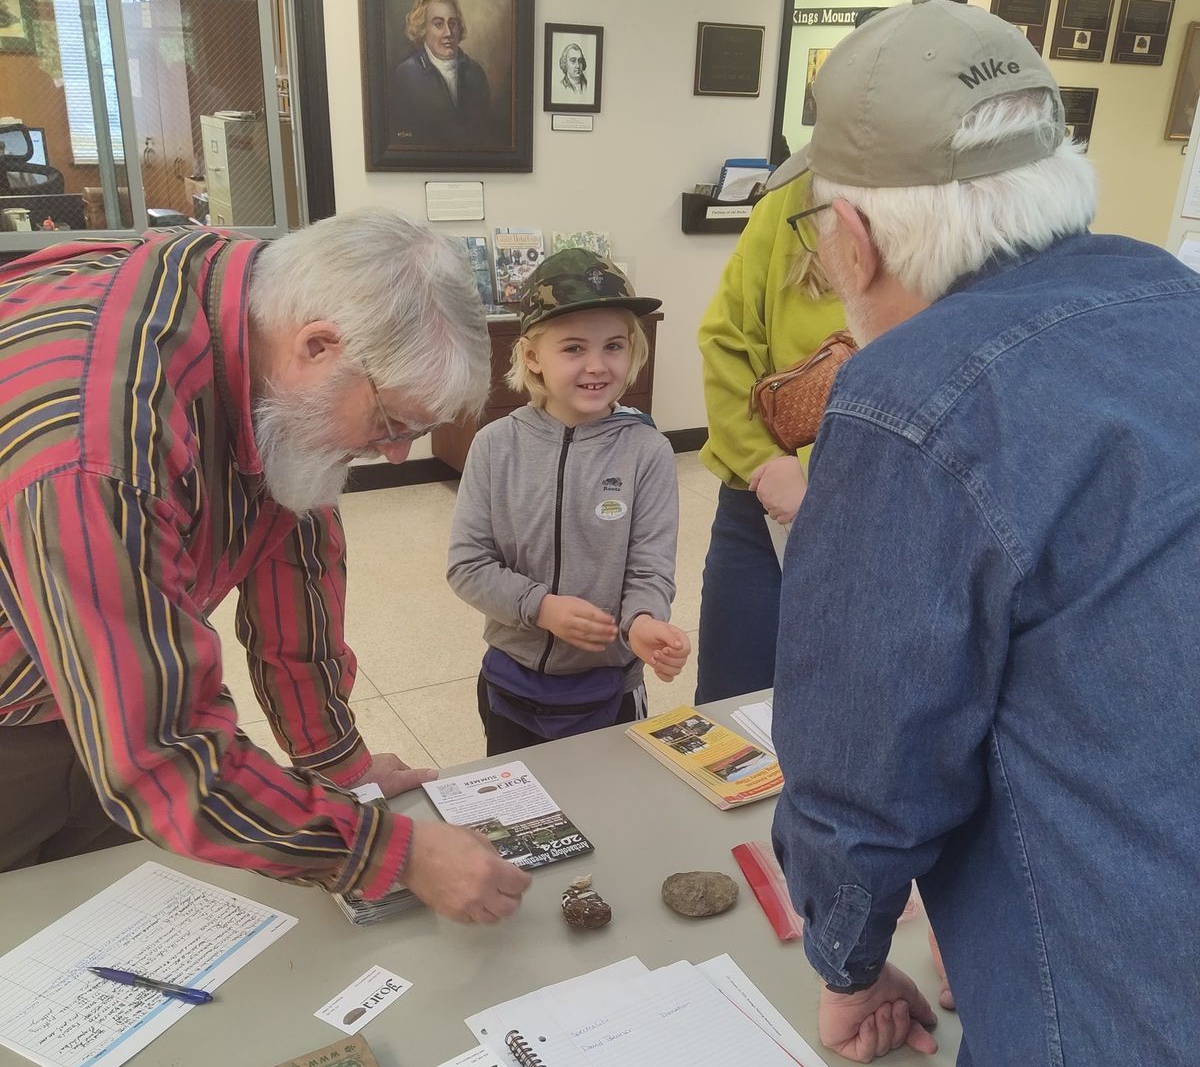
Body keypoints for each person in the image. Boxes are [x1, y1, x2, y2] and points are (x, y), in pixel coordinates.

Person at [767, 0, 1200, 1067]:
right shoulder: (1172, 298)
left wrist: (846, 955)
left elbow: (857, 769)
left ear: (859, 240)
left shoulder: (910, 399)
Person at [0, 209, 529, 927]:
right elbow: (159, 756)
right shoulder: (101, 447)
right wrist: (387, 852)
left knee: (102, 927)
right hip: (19, 723)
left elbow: (293, 590)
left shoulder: (261, 316)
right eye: (391, 425)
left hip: (97, 686)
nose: (398, 454)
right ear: (318, 346)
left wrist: (339, 767)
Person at [448, 249, 689, 754]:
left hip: (609, 688)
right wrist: (541, 608)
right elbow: (468, 566)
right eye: (574, 348)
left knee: (610, 812)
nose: (597, 366)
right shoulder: (494, 445)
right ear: (532, 356)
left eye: (614, 346)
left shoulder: (648, 451)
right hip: (511, 681)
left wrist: (644, 622)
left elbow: (650, 569)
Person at [694, 176, 844, 703]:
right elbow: (725, 343)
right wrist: (766, 462)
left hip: (880, 501)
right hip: (764, 502)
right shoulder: (788, 198)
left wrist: (805, 466)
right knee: (730, 709)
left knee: (848, 708)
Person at [390, 0, 492, 148]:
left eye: (453, 23)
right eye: (438, 24)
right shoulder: (407, 74)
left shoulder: (476, 74)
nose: (448, 33)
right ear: (423, 29)